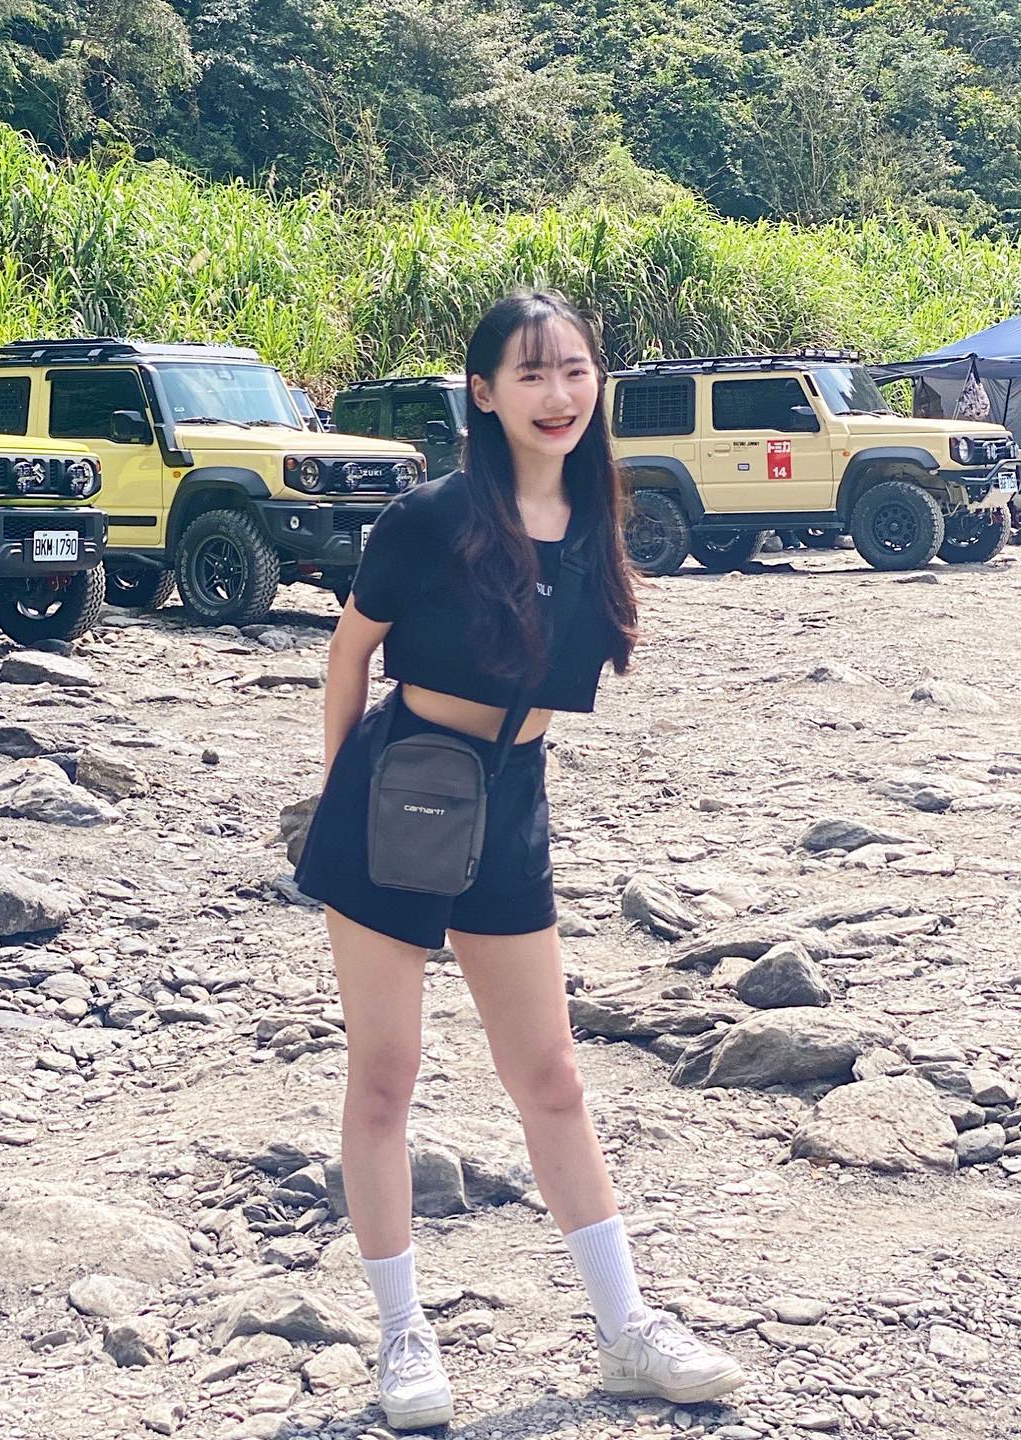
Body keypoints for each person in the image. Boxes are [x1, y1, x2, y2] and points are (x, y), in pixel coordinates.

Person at [295, 290, 745, 1431]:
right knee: (386, 1077)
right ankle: (403, 1338)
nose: (558, 394)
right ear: (483, 394)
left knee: (551, 1077)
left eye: (574, 370)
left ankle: (626, 1330)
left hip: (512, 798)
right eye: (531, 374)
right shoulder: (431, 517)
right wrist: (342, 798)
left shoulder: (597, 516)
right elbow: (350, 653)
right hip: (401, 787)